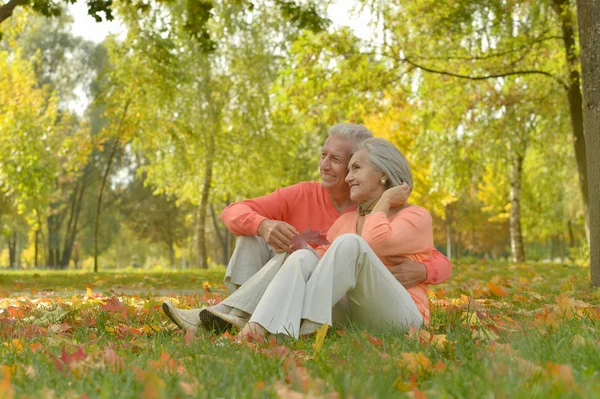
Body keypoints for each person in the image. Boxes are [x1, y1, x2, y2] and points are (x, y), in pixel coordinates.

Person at [162, 124, 450, 334]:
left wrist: (426, 271)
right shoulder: (323, 205)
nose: (326, 166)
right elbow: (233, 212)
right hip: (322, 296)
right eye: (324, 156)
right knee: (272, 244)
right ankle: (239, 318)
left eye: (341, 162)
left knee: (341, 247)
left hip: (383, 307)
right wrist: (263, 226)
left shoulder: (401, 214)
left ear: (380, 174)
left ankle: (231, 316)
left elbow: (422, 254)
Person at [235, 137, 432, 340]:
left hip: (404, 319)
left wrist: (386, 199)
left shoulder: (416, 216)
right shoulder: (346, 220)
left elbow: (375, 241)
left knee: (351, 243)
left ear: (382, 174)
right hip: (356, 317)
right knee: (303, 257)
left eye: (356, 168)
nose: (348, 178)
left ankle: (306, 328)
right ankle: (259, 329)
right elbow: (316, 265)